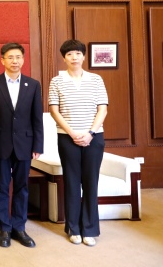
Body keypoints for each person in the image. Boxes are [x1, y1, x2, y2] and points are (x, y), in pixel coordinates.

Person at [0, 43, 43, 248]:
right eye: (10, 57)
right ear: (2, 60)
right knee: (2, 187)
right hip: (0, 143)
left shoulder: (33, 85)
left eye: (18, 57)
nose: (15, 61)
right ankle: (4, 229)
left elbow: (37, 118)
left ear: (23, 60)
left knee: (22, 187)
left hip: (25, 143)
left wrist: (38, 145)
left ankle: (19, 227)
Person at [48, 39, 108, 247]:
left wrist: (90, 133)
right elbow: (54, 111)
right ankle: (73, 229)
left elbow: (102, 109)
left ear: (84, 56)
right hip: (67, 137)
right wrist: (73, 133)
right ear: (64, 58)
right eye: (69, 54)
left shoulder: (96, 79)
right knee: (72, 182)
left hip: (94, 137)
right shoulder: (57, 81)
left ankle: (89, 229)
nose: (74, 57)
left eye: (78, 53)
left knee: (91, 182)